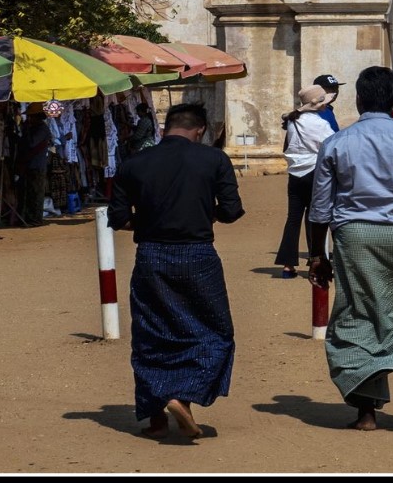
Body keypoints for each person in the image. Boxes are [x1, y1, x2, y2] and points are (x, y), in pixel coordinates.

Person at [306, 65, 393, 431]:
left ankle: (366, 414)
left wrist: (317, 256)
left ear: (358, 99)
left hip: (351, 235)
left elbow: (319, 208)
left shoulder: (336, 143)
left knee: (356, 312)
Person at [110, 101, 244, 440]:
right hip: (198, 254)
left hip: (152, 254)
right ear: (199, 130)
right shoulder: (213, 159)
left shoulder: (134, 163)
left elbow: (119, 218)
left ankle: (156, 414)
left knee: (152, 333)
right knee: (213, 332)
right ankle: (182, 395)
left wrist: (153, 220)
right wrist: (202, 212)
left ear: (163, 129)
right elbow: (231, 212)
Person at [275, 84, 339, 277]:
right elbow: (333, 145)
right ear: (319, 104)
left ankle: (288, 265)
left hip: (295, 173)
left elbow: (288, 146)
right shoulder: (320, 123)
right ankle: (317, 259)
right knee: (317, 217)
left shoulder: (293, 121)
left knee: (293, 218)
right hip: (315, 172)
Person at [19, 106, 53, 227]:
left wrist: (26, 132)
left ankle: (36, 219)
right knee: (30, 193)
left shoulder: (42, 129)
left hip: (37, 165)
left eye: (31, 116)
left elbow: (32, 143)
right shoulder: (34, 128)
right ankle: (29, 217)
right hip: (31, 165)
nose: (29, 119)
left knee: (36, 193)